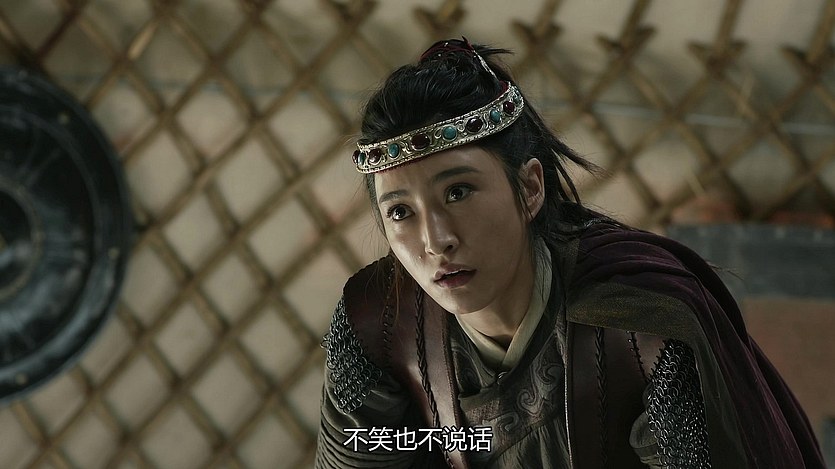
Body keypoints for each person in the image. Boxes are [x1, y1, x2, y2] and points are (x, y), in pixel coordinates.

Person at [315, 38, 825, 468]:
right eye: (400, 211)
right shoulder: (380, 324)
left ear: (530, 187)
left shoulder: (637, 330)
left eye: (459, 192)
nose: (435, 240)